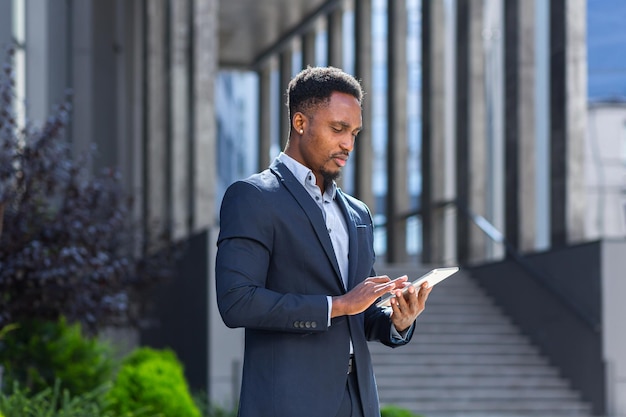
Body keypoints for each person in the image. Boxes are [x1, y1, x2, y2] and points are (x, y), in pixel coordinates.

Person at [215, 66, 432, 417]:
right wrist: (336, 306)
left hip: (358, 402)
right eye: (338, 129)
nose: (348, 143)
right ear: (300, 123)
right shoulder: (252, 197)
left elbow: (362, 311)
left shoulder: (358, 212)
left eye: (355, 133)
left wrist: (397, 320)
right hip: (287, 403)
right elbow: (237, 302)